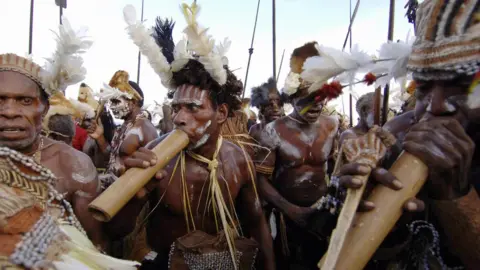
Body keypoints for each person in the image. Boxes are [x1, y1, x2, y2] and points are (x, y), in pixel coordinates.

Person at [107, 4, 275, 269]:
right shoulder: (154, 157)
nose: (179, 118)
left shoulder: (239, 159)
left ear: (220, 113)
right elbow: (115, 231)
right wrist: (135, 192)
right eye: (176, 108)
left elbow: (256, 223)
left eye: (193, 108)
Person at [338, 0, 480, 268]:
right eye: (424, 87)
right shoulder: (398, 135)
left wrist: (455, 196)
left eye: (461, 86)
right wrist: (368, 210)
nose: (435, 106)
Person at [255, 42, 344, 269]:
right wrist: (291, 210)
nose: (315, 106)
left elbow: (336, 168)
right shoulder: (273, 130)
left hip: (324, 212)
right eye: (307, 99)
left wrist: (337, 201)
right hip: (287, 216)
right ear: (292, 99)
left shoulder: (331, 125)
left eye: (320, 98)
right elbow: (260, 179)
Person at [87, 70, 158, 189]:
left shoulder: (144, 128)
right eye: (110, 103)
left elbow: (155, 167)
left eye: (116, 102)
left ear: (133, 101)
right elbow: (113, 158)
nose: (112, 107)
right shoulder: (122, 127)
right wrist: (100, 138)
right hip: (112, 189)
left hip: (130, 195)